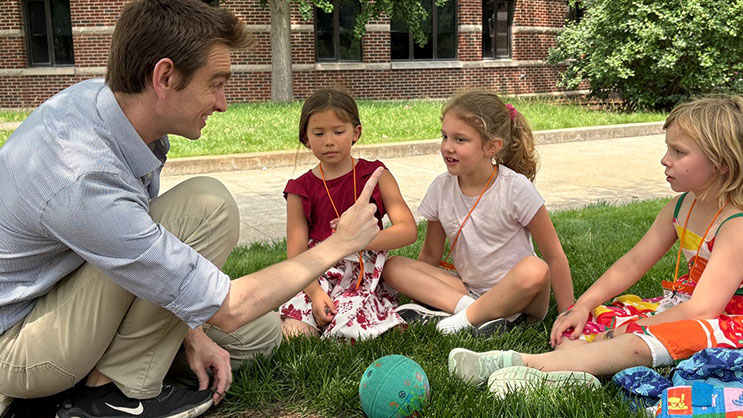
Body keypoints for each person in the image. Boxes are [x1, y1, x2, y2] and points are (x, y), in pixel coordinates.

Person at [0, 1, 384, 417]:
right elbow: (231, 306)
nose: (222, 103)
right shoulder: (83, 174)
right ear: (164, 76)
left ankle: (115, 370)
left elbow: (146, 264)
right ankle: (110, 396)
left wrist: (188, 329)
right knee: (207, 207)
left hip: (65, 296)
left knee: (260, 338)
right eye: (215, 83)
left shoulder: (113, 110)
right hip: (19, 346)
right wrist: (339, 243)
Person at [448, 95, 743, 399]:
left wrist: (624, 331)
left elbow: (704, 309)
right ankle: (575, 376)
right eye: (668, 148)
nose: (665, 159)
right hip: (684, 305)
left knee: (635, 342)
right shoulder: (680, 207)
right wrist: (582, 306)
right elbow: (632, 264)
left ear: (720, 163)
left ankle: (522, 364)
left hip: (723, 320)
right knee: (584, 325)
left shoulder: (735, 225)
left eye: (679, 152)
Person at [382, 89, 574, 337]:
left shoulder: (515, 189)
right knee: (394, 266)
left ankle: (457, 321)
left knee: (535, 268)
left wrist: (568, 313)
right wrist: (422, 291)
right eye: (444, 137)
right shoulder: (440, 188)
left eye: (460, 140)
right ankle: (475, 314)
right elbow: (430, 253)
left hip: (523, 297)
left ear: (491, 146)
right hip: (467, 291)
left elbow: (555, 257)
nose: (447, 147)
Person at [279, 88, 417, 341]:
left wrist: (359, 238)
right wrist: (315, 293)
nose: (329, 140)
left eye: (338, 131)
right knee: (295, 335)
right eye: (318, 134)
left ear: (356, 132)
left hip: (362, 272)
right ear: (306, 139)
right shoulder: (300, 189)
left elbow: (408, 230)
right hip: (316, 270)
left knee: (351, 330)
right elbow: (296, 254)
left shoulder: (376, 175)